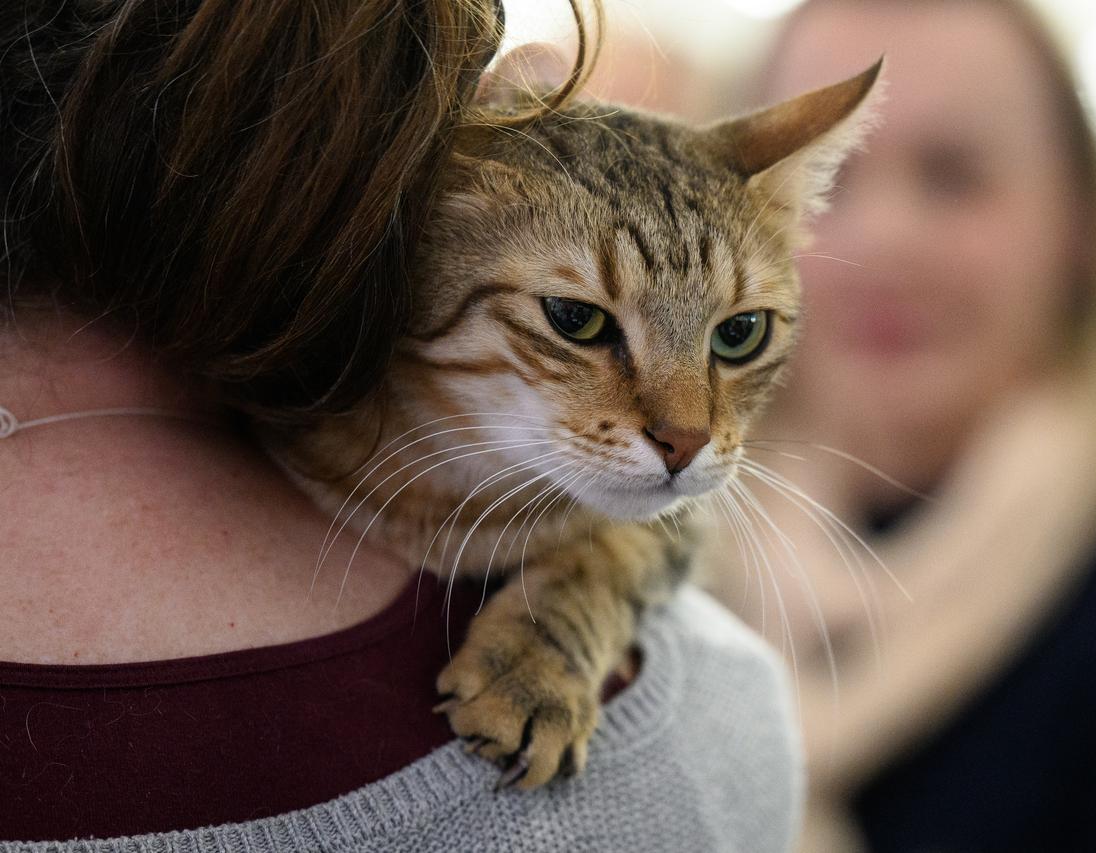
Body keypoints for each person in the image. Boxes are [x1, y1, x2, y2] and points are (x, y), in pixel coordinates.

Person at [0, 2, 801, 850]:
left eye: (738, 334)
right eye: (577, 318)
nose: (685, 429)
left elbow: (669, 533)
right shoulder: (699, 712)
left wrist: (574, 615)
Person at [718, 1, 1096, 851]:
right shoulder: (627, 591)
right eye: (823, 179)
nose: (882, 240)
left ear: (1082, 227)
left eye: (954, 175)